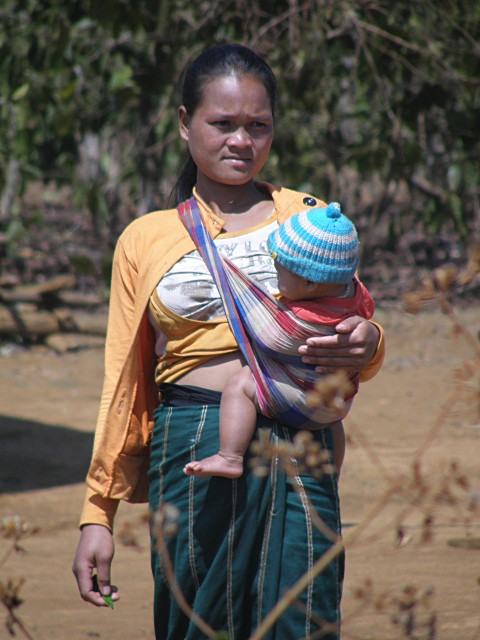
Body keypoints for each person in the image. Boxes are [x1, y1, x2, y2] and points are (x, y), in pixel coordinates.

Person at [72, 43, 385, 640]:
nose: (241, 140)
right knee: (198, 619)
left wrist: (367, 342)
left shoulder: (309, 215)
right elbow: (125, 382)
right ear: (185, 123)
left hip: (302, 434)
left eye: (257, 125)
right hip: (191, 441)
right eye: (222, 124)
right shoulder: (146, 238)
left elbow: (357, 320)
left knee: (305, 615)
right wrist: (98, 514)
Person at [183, 202, 375, 480]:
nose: (274, 271)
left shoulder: (300, 321)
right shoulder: (351, 293)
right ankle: (333, 470)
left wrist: (243, 292)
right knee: (332, 422)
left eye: (279, 266)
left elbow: (271, 338)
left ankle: (229, 456)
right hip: (336, 404)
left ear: (310, 284)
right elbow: (367, 308)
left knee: (241, 383)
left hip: (297, 398)